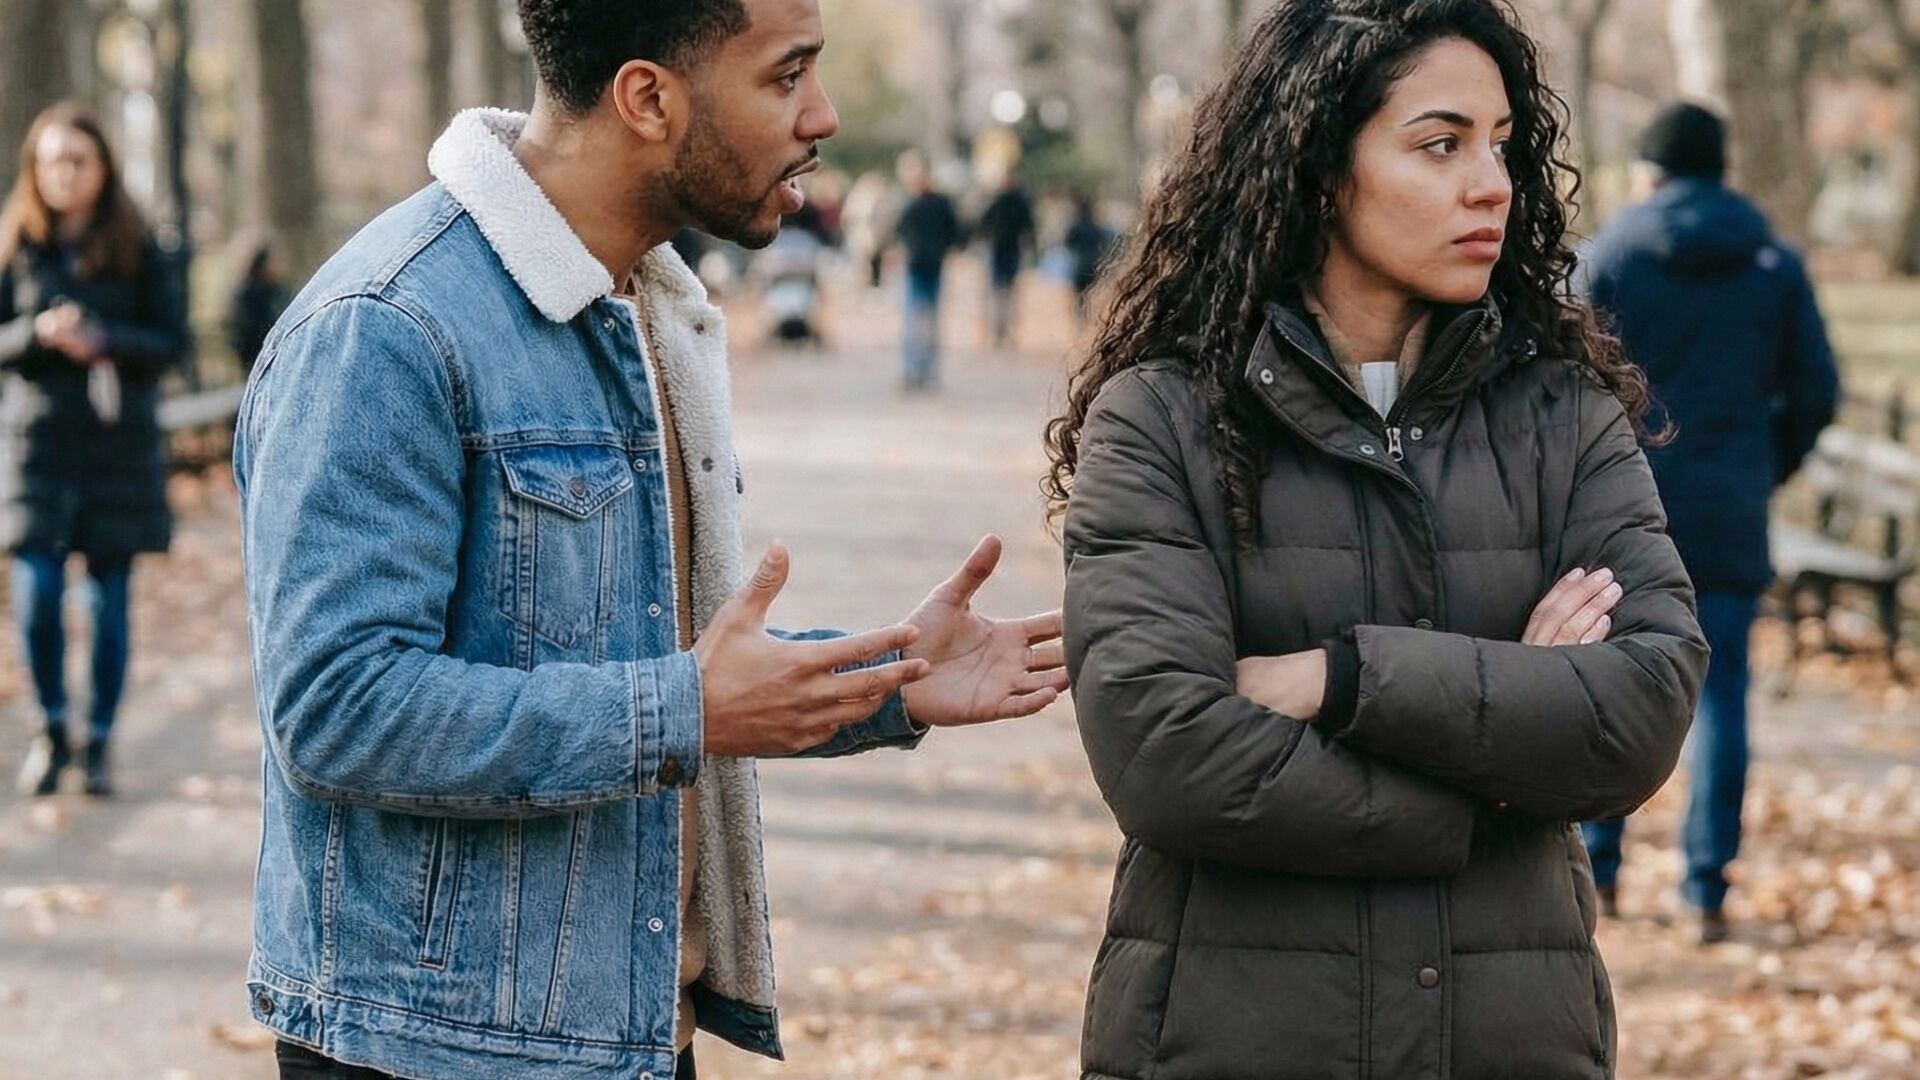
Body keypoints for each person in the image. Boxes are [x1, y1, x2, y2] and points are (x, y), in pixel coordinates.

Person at [235, 2, 1069, 1078]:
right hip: (435, 1053)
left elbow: (632, 652)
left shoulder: (649, 306)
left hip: (626, 1035)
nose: (823, 114)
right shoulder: (387, 324)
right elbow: (336, 709)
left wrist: (887, 677)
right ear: (647, 98)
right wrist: (684, 707)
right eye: (786, 76)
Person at [1047, 3, 1708, 1077]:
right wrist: (1497, 764)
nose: (1490, 183)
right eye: (1439, 145)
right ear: (1318, 167)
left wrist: (1339, 680)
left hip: (1510, 1042)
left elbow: (1642, 710)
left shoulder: (1564, 416)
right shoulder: (1161, 419)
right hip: (1230, 1040)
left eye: (1501, 145)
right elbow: (1165, 755)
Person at [1578, 102, 1840, 945]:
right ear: (1722, 168)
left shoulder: (1610, 255)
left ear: (1651, 171)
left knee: (1611, 685)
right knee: (1721, 698)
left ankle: (1601, 867)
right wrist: (1767, 468)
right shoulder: (1771, 262)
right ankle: (1705, 888)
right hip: (1730, 508)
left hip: (1621, 512)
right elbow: (1816, 391)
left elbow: (1568, 382)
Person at [1, 104, 187, 798]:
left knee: (110, 601)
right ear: (34, 169)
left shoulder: (142, 247)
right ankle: (52, 729)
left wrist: (102, 340)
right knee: (38, 592)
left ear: (103, 167)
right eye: (52, 160)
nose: (65, 174)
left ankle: (100, 738)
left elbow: (172, 343)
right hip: (37, 448)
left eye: (78, 159)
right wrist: (37, 335)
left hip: (117, 450)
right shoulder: (16, 244)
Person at [893, 150, 962, 392]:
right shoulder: (906, 202)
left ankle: (928, 372)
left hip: (933, 267)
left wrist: (944, 251)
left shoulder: (939, 203)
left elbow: (954, 231)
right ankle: (913, 371)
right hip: (914, 267)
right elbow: (898, 232)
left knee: (930, 322)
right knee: (912, 323)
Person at [975, 169, 1035, 348]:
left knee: (1005, 293)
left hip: (1007, 250)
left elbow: (982, 223)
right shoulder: (1008, 201)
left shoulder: (1009, 201)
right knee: (1003, 293)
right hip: (1002, 250)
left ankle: (1003, 331)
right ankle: (999, 331)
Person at [228, 242, 289, 377]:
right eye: (273, 263)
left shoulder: (280, 293)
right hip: (256, 358)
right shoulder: (249, 294)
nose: (278, 267)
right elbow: (243, 330)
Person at [1061, 192, 1118, 326]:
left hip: (1079, 264)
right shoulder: (1097, 227)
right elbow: (1105, 244)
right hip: (1094, 263)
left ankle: (1081, 320)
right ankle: (1088, 320)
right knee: (1091, 294)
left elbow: (1068, 243)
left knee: (1079, 295)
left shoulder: (1075, 226)